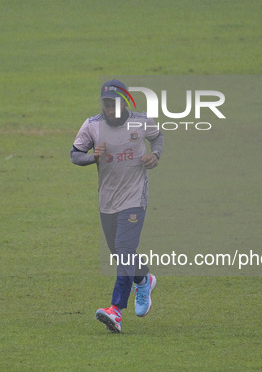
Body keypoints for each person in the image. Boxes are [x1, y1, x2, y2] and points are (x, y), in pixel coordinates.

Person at [70, 79, 164, 333]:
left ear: (124, 102)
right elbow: (74, 154)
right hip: (107, 199)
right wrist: (93, 157)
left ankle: (116, 310)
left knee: (124, 248)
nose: (110, 110)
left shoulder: (141, 121)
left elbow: (157, 138)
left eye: (114, 104)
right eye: (106, 105)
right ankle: (143, 280)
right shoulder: (92, 126)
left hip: (135, 197)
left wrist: (155, 155)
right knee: (119, 251)